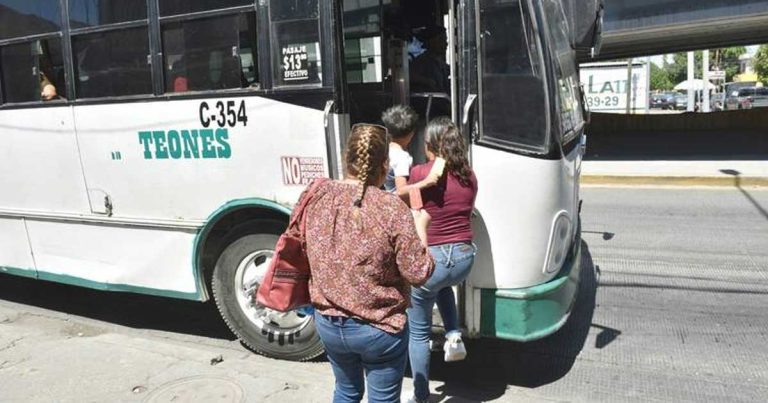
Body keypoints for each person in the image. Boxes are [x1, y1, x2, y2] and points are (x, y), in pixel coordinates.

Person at [304, 123, 435, 403]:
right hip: (379, 330)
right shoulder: (391, 208)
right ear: (384, 165)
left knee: (346, 392)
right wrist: (422, 227)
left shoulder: (316, 196)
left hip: (328, 323)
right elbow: (419, 272)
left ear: (345, 158)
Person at [406, 117, 478, 403]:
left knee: (419, 334)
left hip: (433, 259)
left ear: (432, 146)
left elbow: (413, 212)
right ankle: (452, 334)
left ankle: (421, 396)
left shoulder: (419, 172)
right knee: (442, 282)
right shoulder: (470, 176)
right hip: (463, 259)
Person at [381, 105, 439, 199]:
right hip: (399, 204)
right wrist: (426, 182)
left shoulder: (385, 149)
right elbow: (401, 190)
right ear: (411, 134)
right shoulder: (401, 157)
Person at [409, 26, 450, 94]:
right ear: (431, 42)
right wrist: (427, 81)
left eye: (445, 40)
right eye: (441, 40)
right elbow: (409, 76)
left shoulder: (440, 62)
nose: (445, 44)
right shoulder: (422, 61)